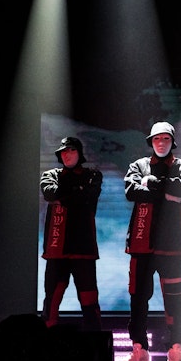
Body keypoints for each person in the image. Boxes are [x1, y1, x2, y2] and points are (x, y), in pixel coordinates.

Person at [123, 121, 181, 361]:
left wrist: (150, 183)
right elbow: (131, 191)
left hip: (172, 243)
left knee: (175, 299)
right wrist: (165, 193)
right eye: (157, 139)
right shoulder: (138, 165)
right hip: (142, 242)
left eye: (165, 139)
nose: (161, 143)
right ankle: (139, 348)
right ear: (151, 142)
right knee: (138, 297)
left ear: (172, 141)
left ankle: (176, 348)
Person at [40, 136, 104, 330]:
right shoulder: (49, 175)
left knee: (89, 299)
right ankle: (46, 346)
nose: (67, 155)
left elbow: (87, 197)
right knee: (51, 301)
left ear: (80, 153)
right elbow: (50, 194)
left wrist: (66, 196)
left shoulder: (93, 175)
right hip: (56, 249)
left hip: (83, 248)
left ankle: (94, 348)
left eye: (71, 150)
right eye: (63, 152)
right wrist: (76, 190)